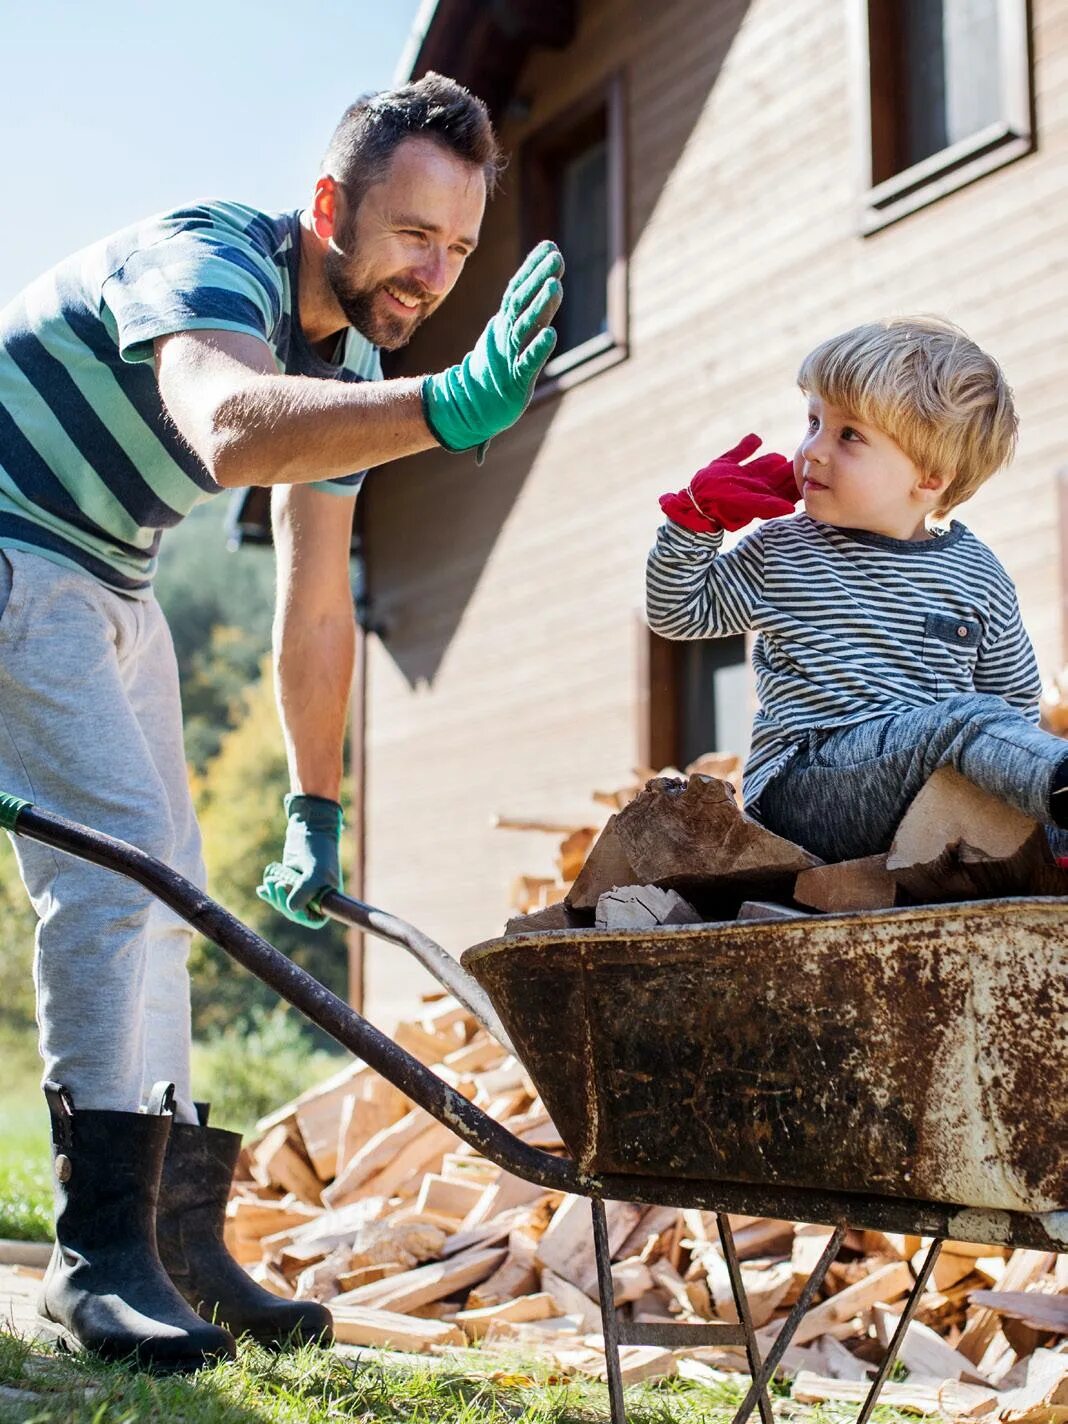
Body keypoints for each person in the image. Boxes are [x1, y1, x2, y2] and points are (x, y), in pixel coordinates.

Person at [0, 72, 563, 1367]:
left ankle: (179, 1244)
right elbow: (229, 427)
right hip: (17, 548)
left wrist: (320, 807)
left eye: (460, 248)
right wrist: (444, 405)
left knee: (177, 885)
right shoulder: (210, 261)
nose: (435, 273)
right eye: (415, 236)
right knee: (119, 863)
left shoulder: (351, 365)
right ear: (329, 206)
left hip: (105, 572)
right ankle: (94, 1261)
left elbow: (318, 610)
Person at [646, 317, 1068, 863]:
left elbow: (1012, 705)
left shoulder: (976, 572)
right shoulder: (786, 548)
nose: (813, 450)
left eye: (849, 435)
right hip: (805, 784)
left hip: (928, 791)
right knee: (965, 723)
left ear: (929, 478)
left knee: (998, 753)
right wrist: (694, 522)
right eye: (814, 421)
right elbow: (678, 611)